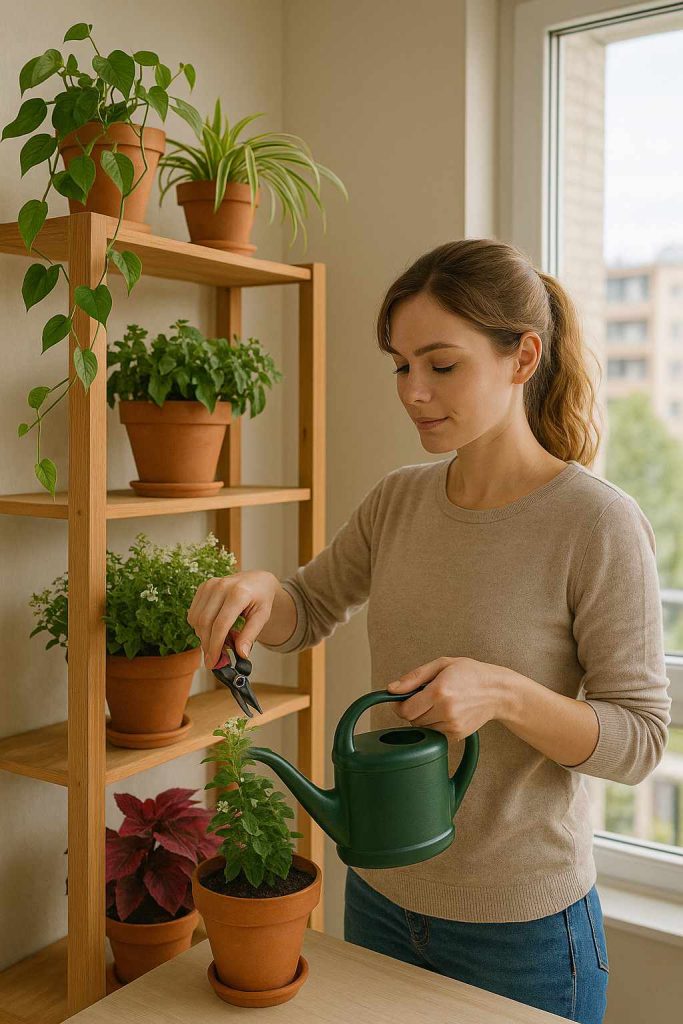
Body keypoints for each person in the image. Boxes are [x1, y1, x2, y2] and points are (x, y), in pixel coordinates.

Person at [187, 238, 672, 1024]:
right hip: (378, 898)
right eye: (400, 366)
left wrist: (506, 694)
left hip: (523, 933)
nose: (413, 391)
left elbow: (640, 738)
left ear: (522, 358)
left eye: (440, 365)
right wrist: (255, 590)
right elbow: (306, 608)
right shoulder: (399, 500)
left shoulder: (597, 523)